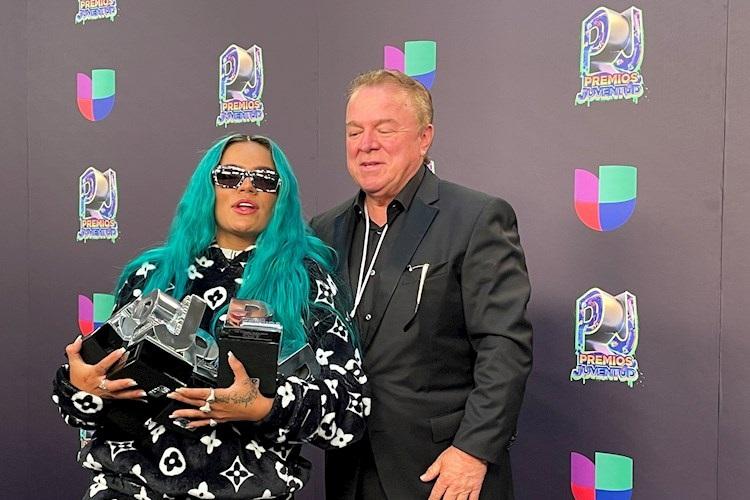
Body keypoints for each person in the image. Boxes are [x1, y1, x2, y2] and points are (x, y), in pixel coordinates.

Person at [52, 134, 369, 499]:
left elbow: (350, 413)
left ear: (280, 197)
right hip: (128, 489)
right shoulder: (152, 274)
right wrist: (81, 386)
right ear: (208, 187)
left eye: (264, 179)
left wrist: (265, 406)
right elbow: (90, 410)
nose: (247, 187)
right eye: (229, 176)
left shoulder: (307, 283)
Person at [310, 70, 533, 500]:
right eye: (354, 131)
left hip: (443, 473)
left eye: (384, 129)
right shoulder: (324, 230)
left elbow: (503, 346)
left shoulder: (475, 218)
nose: (366, 144)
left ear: (424, 137)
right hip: (349, 471)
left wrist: (473, 450)